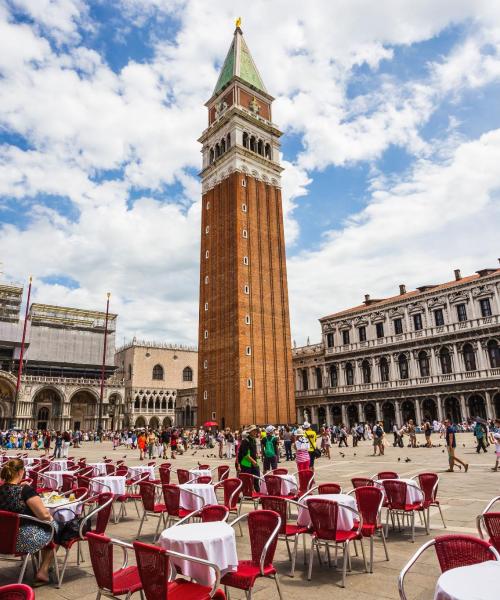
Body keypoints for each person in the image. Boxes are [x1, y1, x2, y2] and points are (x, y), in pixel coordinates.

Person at [0, 459, 59, 585]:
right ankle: (43, 570)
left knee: (43, 527)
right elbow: (44, 515)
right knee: (56, 527)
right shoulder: (24, 491)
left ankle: (41, 565)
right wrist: (52, 520)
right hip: (21, 540)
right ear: (21, 472)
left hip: (3, 539)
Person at [237, 425, 260, 490]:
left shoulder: (253, 440)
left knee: (257, 478)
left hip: (253, 463)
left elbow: (252, 451)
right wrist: (253, 461)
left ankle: (258, 493)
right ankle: (247, 494)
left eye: (256, 430)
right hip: (246, 464)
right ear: (250, 432)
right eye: (254, 431)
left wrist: (256, 454)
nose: (255, 432)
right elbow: (245, 455)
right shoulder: (245, 441)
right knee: (247, 480)